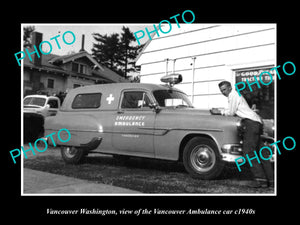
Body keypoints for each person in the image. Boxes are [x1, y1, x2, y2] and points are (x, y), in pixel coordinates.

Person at [211, 81, 273, 188]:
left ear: (230, 88)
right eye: (221, 91)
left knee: (248, 152)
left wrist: (219, 112)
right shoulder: (236, 95)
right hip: (256, 122)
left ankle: (261, 179)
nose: (223, 92)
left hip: (250, 123)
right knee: (261, 152)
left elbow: (231, 112)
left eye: (224, 89)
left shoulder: (233, 95)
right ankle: (271, 180)